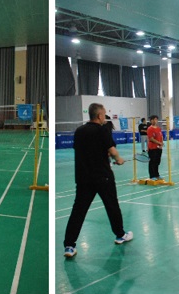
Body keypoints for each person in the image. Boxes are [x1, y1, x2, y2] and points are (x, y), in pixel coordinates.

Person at [62, 103, 133, 259]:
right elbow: (112, 150)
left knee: (78, 211)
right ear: (99, 115)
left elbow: (86, 150)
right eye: (104, 114)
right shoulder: (102, 130)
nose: (105, 118)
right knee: (112, 206)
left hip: (83, 178)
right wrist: (119, 159)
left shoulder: (79, 131)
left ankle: (69, 245)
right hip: (103, 177)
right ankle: (120, 235)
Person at [146, 115, 164, 181]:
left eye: (156, 119)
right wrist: (159, 143)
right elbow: (151, 139)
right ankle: (152, 176)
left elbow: (161, 136)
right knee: (152, 162)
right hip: (152, 148)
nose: (155, 121)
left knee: (157, 162)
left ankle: (157, 175)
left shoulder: (159, 128)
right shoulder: (150, 129)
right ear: (151, 121)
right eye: (153, 119)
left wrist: (161, 143)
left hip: (159, 148)